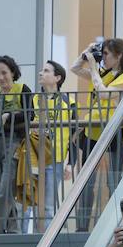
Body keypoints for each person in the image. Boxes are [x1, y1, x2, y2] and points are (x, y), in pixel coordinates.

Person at [72, 38, 123, 231]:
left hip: (115, 131)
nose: (103, 58)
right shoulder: (103, 74)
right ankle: (82, 226)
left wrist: (93, 68)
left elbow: (104, 94)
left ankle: (114, 224)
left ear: (118, 56)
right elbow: (75, 68)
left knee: (113, 181)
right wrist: (87, 52)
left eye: (107, 54)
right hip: (93, 132)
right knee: (87, 182)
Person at [0, 55, 33, 234]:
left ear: (12, 72)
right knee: (0, 187)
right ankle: (13, 229)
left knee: (4, 190)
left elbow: (29, 115)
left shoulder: (23, 89)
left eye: (4, 73)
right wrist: (5, 116)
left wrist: (7, 116)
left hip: (16, 143)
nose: (0, 77)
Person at [28, 60, 76, 228]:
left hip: (55, 159)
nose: (41, 73)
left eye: (46, 71)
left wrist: (71, 163)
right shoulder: (33, 99)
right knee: (32, 202)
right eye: (41, 70)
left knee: (48, 206)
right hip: (34, 157)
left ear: (57, 77)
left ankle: (44, 243)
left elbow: (74, 134)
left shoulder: (68, 101)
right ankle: (33, 241)